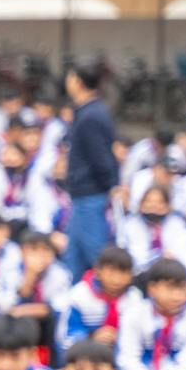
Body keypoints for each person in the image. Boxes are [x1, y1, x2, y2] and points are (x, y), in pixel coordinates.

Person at [63, 57, 118, 278]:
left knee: (95, 258)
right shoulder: (86, 112)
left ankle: (105, 307)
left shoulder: (91, 116)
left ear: (77, 82)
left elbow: (101, 159)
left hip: (91, 194)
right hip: (81, 196)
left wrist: (111, 186)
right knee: (73, 256)